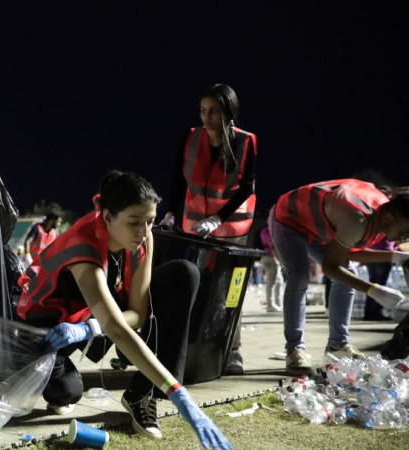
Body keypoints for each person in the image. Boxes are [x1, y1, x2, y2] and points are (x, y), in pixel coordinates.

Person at [16, 171, 230, 449]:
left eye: (150, 221)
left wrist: (90, 328)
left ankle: (142, 395)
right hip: (51, 327)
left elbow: (139, 314)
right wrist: (178, 393)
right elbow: (117, 327)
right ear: (107, 217)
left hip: (89, 322)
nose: (143, 232)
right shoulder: (84, 247)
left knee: (184, 274)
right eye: (134, 222)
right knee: (67, 392)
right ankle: (25, 366)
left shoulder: (143, 238)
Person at [160, 83, 257, 375]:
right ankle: (193, 346)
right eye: (203, 110)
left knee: (230, 290)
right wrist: (168, 213)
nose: (206, 116)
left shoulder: (246, 141)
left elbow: (245, 188)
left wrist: (218, 218)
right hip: (194, 227)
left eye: (213, 111)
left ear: (228, 112)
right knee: (196, 285)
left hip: (233, 229)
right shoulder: (191, 138)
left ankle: (232, 351)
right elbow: (179, 179)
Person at [268, 179, 409, 376]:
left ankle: (338, 345)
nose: (403, 238)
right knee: (299, 276)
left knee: (348, 277)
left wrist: (395, 256)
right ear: (389, 218)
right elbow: (330, 266)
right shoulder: (358, 217)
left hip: (320, 229)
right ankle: (294, 350)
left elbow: (345, 252)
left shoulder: (383, 215)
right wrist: (372, 289)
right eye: (403, 231)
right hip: (289, 219)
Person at [364, 237, 397, 320]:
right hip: (384, 252)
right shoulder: (390, 224)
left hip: (369, 251)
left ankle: (368, 312)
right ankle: (376, 312)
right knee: (381, 284)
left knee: (372, 283)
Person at [259, 225, 284, 312]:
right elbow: (272, 246)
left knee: (279, 281)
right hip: (271, 257)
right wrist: (279, 259)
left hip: (264, 256)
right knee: (272, 282)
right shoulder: (269, 231)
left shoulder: (263, 231)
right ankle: (270, 305)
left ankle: (277, 303)